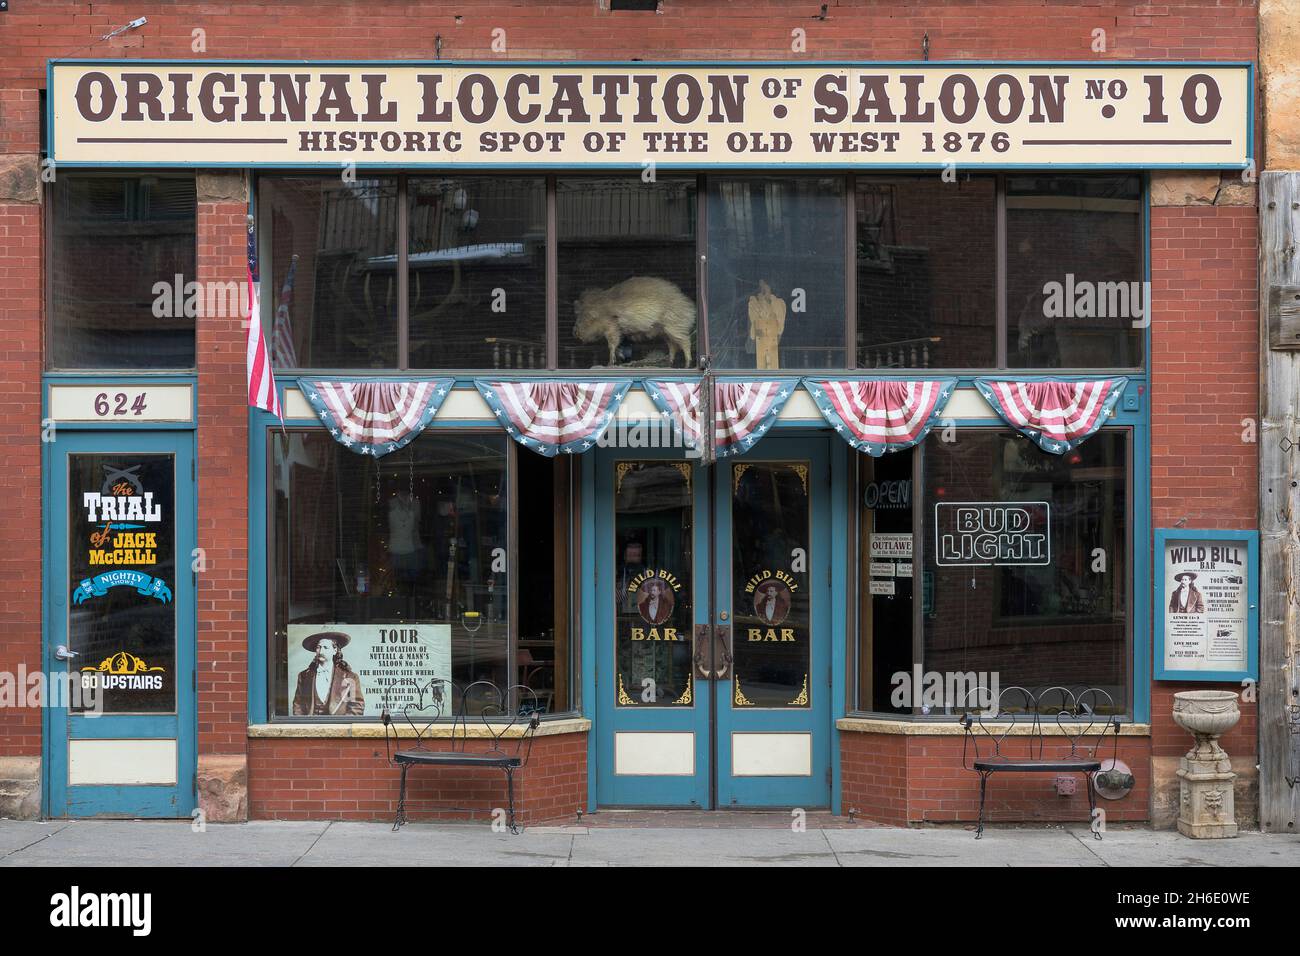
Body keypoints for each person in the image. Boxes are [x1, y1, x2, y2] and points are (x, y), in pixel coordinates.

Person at [292, 631, 365, 716]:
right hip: (310, 726)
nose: (321, 651)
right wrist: (303, 725)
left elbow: (356, 706)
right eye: (318, 647)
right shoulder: (304, 676)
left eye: (326, 648)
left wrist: (342, 726)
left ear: (335, 650)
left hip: (339, 726)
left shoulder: (349, 677)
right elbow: (298, 704)